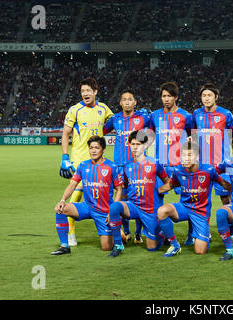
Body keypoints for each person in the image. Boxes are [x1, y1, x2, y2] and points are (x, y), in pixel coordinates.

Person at [59, 77, 114, 246]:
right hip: (79, 160)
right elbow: (65, 133)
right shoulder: (75, 110)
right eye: (83, 91)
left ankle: (114, 227)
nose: (85, 94)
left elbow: (114, 122)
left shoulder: (103, 108)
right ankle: (71, 233)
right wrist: (65, 157)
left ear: (95, 92)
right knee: (76, 194)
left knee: (103, 193)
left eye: (88, 90)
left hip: (98, 159)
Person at [51, 135, 124, 255]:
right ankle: (64, 246)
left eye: (96, 147)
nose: (93, 150)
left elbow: (119, 190)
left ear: (103, 149)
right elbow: (72, 185)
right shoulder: (83, 166)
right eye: (91, 148)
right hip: (87, 207)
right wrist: (63, 200)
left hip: (104, 211)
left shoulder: (112, 167)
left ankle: (120, 235)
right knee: (60, 209)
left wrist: (113, 212)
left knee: (106, 247)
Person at [157, 141, 231, 257]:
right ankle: (175, 246)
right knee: (162, 211)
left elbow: (223, 183)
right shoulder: (178, 171)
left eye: (189, 155)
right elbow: (170, 186)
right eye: (184, 155)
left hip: (200, 213)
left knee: (200, 251)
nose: (185, 158)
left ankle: (204, 236)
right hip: (184, 207)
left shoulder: (208, 170)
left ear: (197, 157)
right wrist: (153, 191)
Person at [107, 130, 170, 255]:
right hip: (133, 206)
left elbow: (168, 182)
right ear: (129, 145)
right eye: (133, 144)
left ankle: (162, 234)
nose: (135, 147)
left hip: (150, 209)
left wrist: (158, 191)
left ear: (145, 145)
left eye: (138, 144)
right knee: (114, 207)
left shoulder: (154, 163)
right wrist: (113, 211)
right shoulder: (127, 166)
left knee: (152, 248)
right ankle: (118, 245)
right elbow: (124, 184)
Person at [103, 89, 151, 244]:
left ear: (135, 102)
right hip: (120, 166)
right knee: (122, 198)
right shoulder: (115, 119)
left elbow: (155, 130)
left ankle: (138, 233)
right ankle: (127, 232)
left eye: (130, 99)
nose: (127, 102)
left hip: (138, 166)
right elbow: (101, 130)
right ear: (120, 103)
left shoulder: (143, 118)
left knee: (139, 198)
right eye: (124, 99)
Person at [149, 81, 194, 245]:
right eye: (163, 96)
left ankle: (192, 233)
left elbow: (192, 137)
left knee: (189, 199)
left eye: (169, 96)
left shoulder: (186, 116)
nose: (166, 99)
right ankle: (162, 232)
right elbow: (147, 135)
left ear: (176, 97)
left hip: (180, 167)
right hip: (160, 167)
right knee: (157, 199)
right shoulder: (155, 116)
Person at [192, 82, 233, 246]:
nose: (206, 98)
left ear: (216, 97)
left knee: (227, 200)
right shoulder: (196, 114)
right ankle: (204, 232)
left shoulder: (226, 114)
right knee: (201, 201)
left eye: (209, 95)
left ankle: (230, 234)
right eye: (204, 95)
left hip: (222, 167)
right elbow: (194, 136)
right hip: (202, 167)